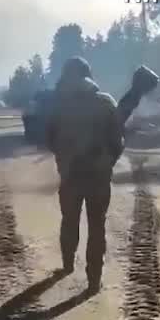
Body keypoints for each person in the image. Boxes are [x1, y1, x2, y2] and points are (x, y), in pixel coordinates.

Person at [45, 57, 125, 291]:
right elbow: (117, 141)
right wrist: (107, 162)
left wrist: (64, 157)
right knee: (97, 225)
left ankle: (68, 265)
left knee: (69, 220)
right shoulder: (106, 102)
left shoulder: (59, 105)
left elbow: (50, 138)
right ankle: (93, 280)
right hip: (98, 177)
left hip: (71, 176)